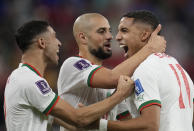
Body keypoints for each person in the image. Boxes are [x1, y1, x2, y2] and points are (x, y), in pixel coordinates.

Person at [3, 20, 134, 131]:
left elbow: (77, 125)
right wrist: (119, 95)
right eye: (54, 37)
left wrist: (91, 114)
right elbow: (78, 118)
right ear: (42, 43)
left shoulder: (22, 77)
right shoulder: (29, 80)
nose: (59, 43)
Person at [57, 13, 166, 130]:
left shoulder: (113, 83)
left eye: (109, 31)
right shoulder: (72, 65)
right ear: (83, 37)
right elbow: (112, 78)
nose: (110, 36)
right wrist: (150, 48)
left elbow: (126, 124)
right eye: (101, 31)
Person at [101, 10, 194, 131]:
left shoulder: (144, 69)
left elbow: (150, 125)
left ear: (144, 35)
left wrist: (102, 125)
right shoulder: (176, 65)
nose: (117, 37)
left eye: (124, 31)